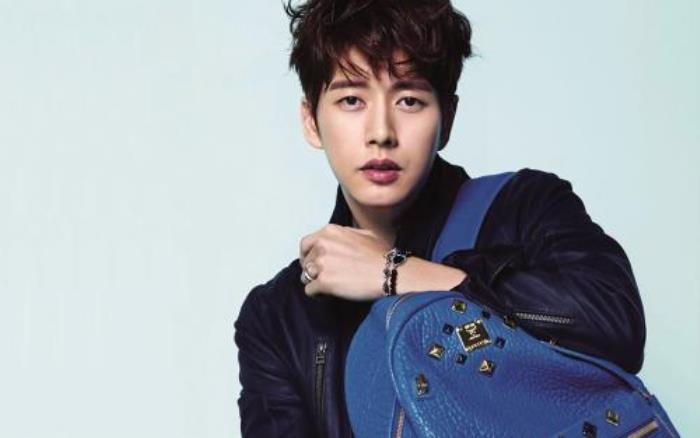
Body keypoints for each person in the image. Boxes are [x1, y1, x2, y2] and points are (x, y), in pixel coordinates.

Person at [234, 0, 645, 436]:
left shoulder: (523, 208)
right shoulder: (279, 316)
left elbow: (615, 325)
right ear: (311, 121)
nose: (381, 132)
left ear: (447, 118)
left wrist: (398, 274)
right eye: (351, 100)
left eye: (409, 100)